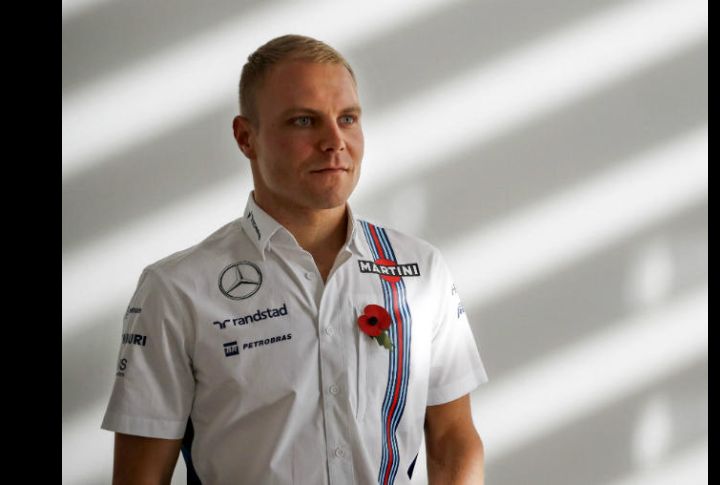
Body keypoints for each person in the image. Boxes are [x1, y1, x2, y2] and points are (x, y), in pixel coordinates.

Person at [101, 34, 489, 484]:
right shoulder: (176, 290)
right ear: (246, 137)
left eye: (348, 118)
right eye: (304, 121)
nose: (335, 141)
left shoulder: (420, 270)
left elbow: (453, 439)